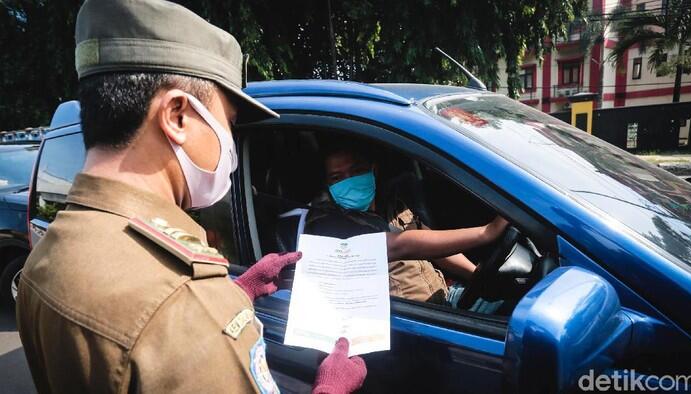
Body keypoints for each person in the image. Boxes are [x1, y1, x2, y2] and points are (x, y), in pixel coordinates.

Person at [16, 1, 366, 393]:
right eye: (228, 124)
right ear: (178, 116)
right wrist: (331, 389)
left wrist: (239, 290)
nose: (230, 145)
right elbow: (166, 325)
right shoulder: (187, 303)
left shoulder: (49, 255)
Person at [292, 143, 508, 305]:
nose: (349, 181)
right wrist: (486, 232)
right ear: (328, 185)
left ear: (373, 170)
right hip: (415, 320)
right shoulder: (329, 225)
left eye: (357, 171)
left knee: (510, 302)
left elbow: (434, 245)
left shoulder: (391, 203)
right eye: (337, 178)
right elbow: (401, 244)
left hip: (444, 297)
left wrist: (477, 275)